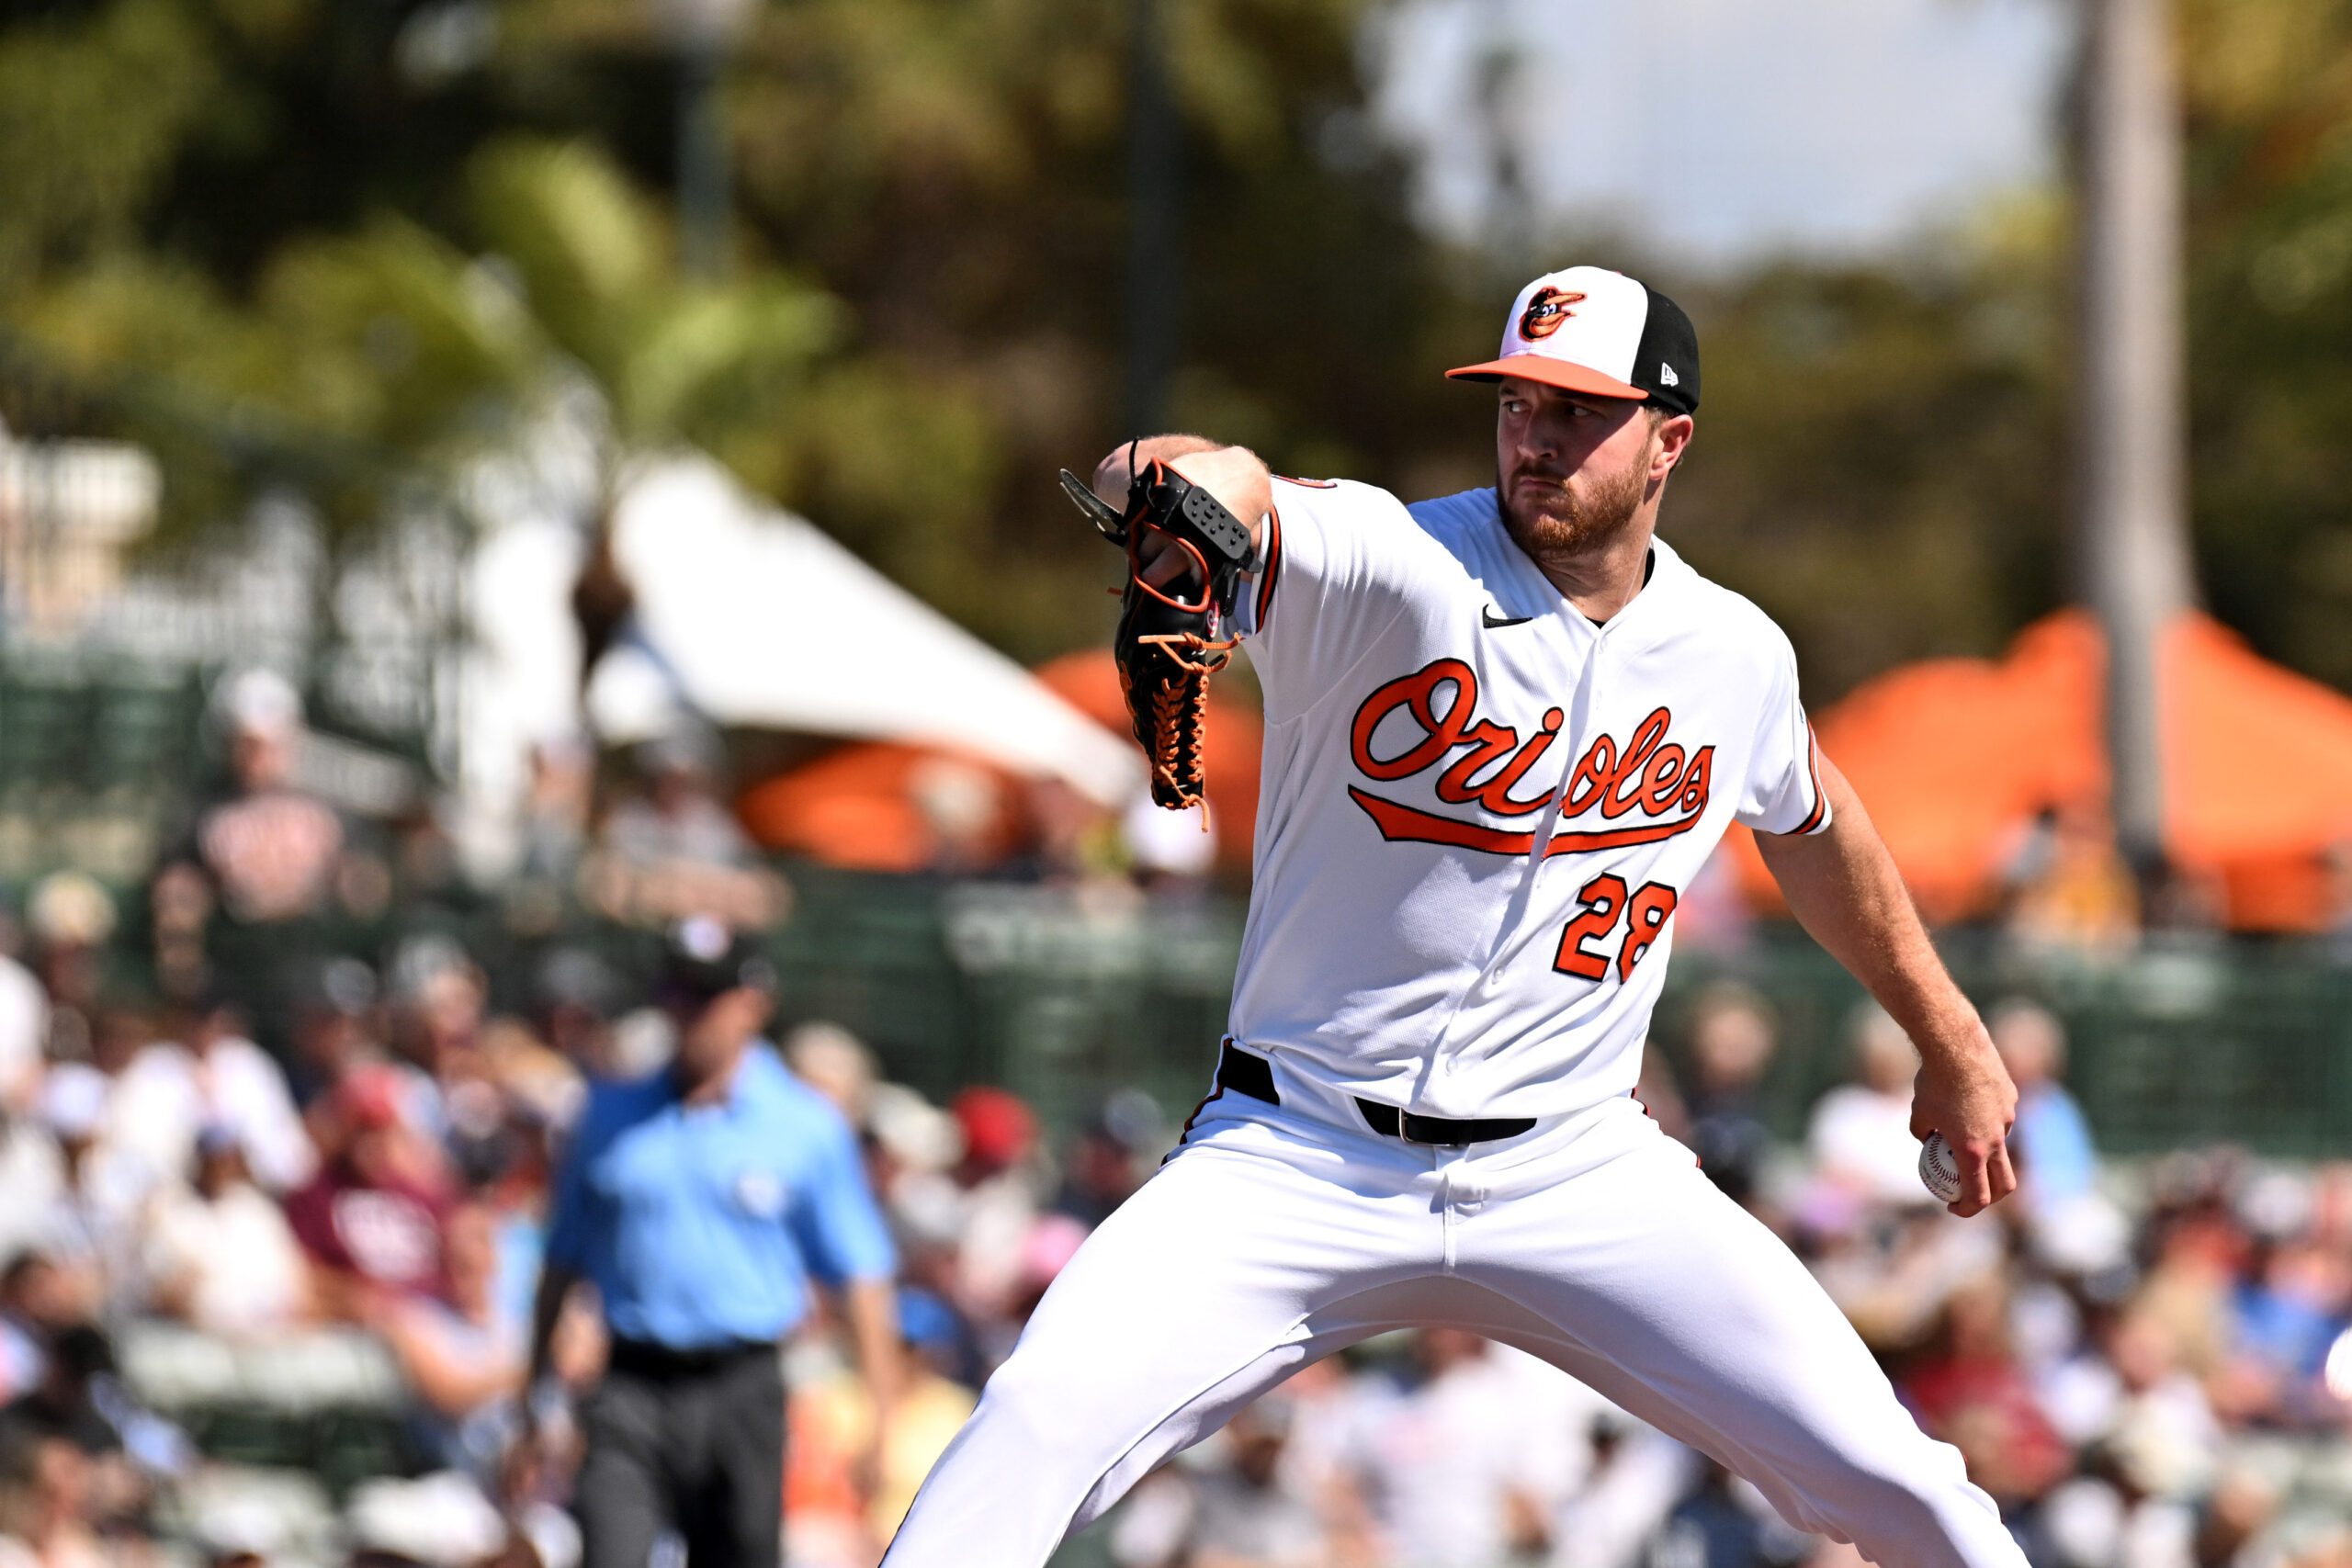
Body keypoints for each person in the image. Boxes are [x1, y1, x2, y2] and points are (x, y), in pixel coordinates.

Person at [881, 266, 2025, 1566]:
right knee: (1031, 1422)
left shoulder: (1732, 652)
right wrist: (1204, 491)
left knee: (1907, 1486)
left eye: (1578, 408)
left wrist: (1954, 1038)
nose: (1535, 433)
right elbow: (1182, 471)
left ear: (1671, 438)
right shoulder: (1398, 564)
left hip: (1574, 1165)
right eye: (1518, 400)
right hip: (1300, 1150)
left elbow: (1818, 827)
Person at [527, 917, 900, 1568]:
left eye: (708, 995)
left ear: (754, 1002)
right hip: (631, 1378)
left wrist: (880, 1416)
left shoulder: (803, 1125)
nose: (688, 1012)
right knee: (610, 1550)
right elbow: (561, 1259)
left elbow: (861, 1272)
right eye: (677, 992)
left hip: (743, 1383)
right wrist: (534, 1394)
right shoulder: (610, 1114)